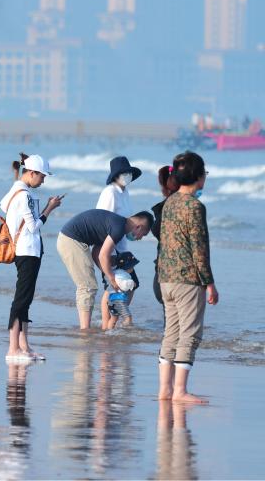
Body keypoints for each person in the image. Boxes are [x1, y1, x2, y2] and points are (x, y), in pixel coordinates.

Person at [157, 151, 219, 404]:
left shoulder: (170, 202)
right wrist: (210, 282)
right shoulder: (195, 206)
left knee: (171, 332)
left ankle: (165, 390)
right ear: (198, 176)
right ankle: (180, 391)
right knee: (190, 333)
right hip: (187, 279)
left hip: (165, 278)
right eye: (204, 173)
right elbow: (199, 247)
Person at [0, 154, 63, 362]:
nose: (43, 180)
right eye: (42, 176)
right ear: (31, 173)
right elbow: (34, 226)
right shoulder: (24, 195)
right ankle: (12, 348)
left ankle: (24, 346)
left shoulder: (16, 191)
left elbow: (4, 207)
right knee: (21, 300)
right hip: (27, 250)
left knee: (25, 300)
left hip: (26, 250)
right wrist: (49, 209)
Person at [56, 208, 154, 330]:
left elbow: (97, 251)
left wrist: (109, 273)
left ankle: (88, 327)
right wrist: (112, 278)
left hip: (73, 239)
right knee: (87, 286)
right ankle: (85, 330)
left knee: (89, 285)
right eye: (143, 234)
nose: (140, 238)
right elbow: (103, 255)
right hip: (71, 240)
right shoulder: (118, 228)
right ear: (138, 227)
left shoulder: (118, 225)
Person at [96, 156, 142, 328]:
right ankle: (108, 324)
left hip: (122, 247)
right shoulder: (110, 192)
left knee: (131, 284)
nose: (127, 176)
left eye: (129, 173)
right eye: (123, 173)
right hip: (108, 249)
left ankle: (112, 322)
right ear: (115, 175)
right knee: (114, 286)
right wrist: (106, 252)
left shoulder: (125, 193)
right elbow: (101, 220)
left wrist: (133, 234)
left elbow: (126, 221)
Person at [150, 165, 180, 308]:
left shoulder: (163, 209)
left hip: (161, 276)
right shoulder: (183, 208)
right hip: (176, 279)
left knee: (170, 326)